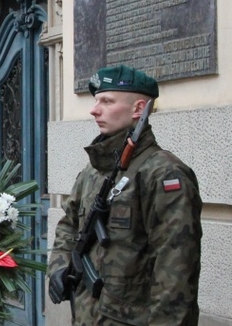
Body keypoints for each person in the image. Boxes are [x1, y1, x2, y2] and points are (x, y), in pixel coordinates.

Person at [47, 65, 202, 325]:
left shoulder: (163, 174)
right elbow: (69, 225)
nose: (94, 109)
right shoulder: (93, 172)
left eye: (107, 101)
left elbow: (176, 269)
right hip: (86, 316)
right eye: (96, 101)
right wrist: (60, 267)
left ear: (138, 109)